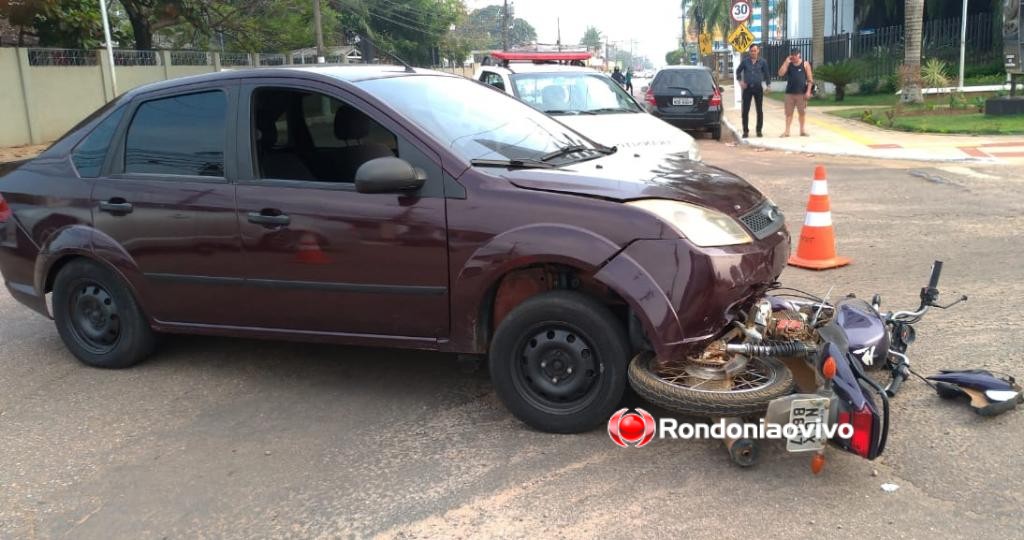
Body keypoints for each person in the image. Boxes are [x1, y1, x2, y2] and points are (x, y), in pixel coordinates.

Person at [734, 44, 771, 138]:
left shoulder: (763, 62)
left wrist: (768, 85)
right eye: (751, 51)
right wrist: (740, 82)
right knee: (745, 111)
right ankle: (745, 131)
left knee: (759, 110)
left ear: (758, 51)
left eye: (755, 50)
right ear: (749, 52)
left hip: (758, 88)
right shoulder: (745, 62)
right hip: (747, 89)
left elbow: (767, 74)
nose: (753, 52)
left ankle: (759, 131)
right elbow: (738, 71)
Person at [778, 47, 814, 137]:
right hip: (789, 93)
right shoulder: (789, 64)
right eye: (792, 56)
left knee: (802, 113)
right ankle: (787, 131)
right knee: (788, 113)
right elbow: (780, 73)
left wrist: (808, 92)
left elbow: (810, 80)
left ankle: (802, 131)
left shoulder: (805, 64)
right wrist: (786, 63)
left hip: (801, 93)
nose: (793, 58)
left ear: (799, 55)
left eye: (795, 56)